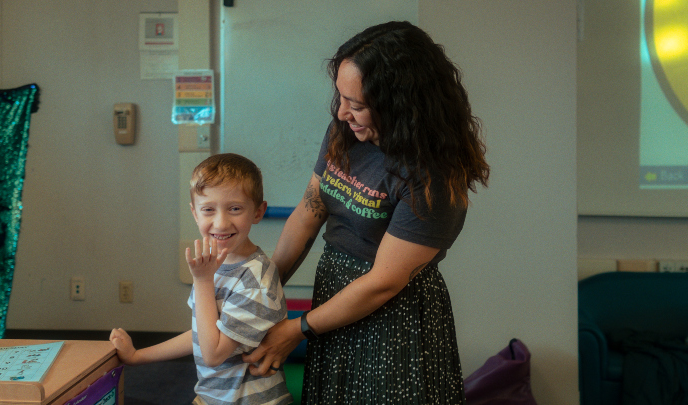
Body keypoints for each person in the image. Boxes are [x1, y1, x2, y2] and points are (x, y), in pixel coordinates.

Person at [242, 21, 490, 404]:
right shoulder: (346, 130)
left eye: (357, 105)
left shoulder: (433, 174)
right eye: (340, 98)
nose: (342, 113)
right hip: (333, 301)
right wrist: (263, 295)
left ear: (401, 104)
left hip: (392, 317)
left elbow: (384, 282)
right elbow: (310, 210)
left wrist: (297, 328)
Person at [110, 153, 293, 405]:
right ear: (195, 213)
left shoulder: (255, 280)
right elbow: (202, 333)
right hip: (210, 398)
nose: (220, 222)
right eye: (208, 209)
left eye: (235, 208)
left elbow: (213, 354)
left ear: (258, 212)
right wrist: (137, 356)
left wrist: (203, 282)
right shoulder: (212, 267)